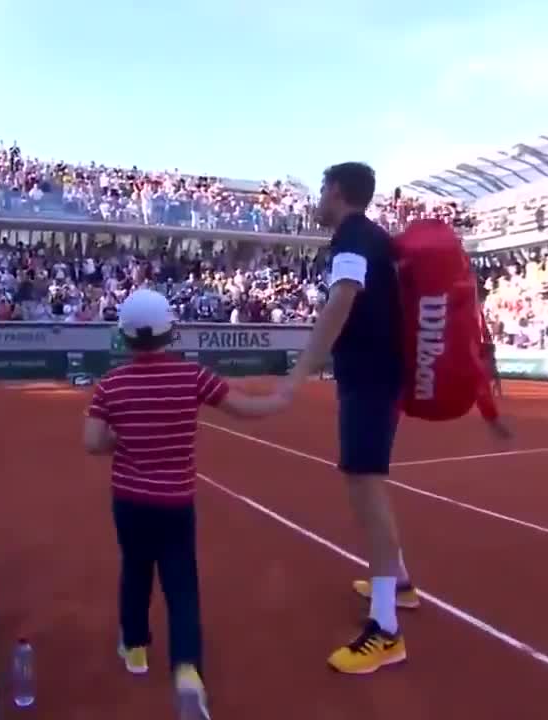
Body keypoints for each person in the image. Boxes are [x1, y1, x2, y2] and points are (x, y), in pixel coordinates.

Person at [83, 288, 288, 720]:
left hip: (129, 500)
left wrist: (129, 437)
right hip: (175, 500)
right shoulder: (191, 376)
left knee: (135, 571)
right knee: (181, 585)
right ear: (170, 332)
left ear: (124, 336)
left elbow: (93, 443)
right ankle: (187, 671)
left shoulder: (110, 385)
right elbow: (243, 408)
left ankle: (136, 648)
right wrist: (281, 399)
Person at [279, 162, 413, 674]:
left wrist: (302, 369)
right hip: (377, 376)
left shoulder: (353, 237)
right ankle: (397, 581)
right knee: (368, 482)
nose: (318, 197)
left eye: (321, 188)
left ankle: (386, 630)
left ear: (336, 191)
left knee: (365, 486)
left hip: (370, 380)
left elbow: (341, 301)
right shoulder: (370, 234)